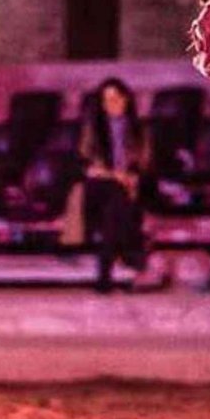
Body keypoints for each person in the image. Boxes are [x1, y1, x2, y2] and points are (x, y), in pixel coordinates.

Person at [79, 78, 150, 293]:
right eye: (107, 100)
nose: (112, 104)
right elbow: (87, 163)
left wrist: (131, 178)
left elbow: (144, 162)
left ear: (126, 100)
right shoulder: (94, 128)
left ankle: (105, 274)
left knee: (116, 209)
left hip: (129, 184)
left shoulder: (139, 129)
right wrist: (115, 176)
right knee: (116, 198)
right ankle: (131, 253)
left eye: (116, 98)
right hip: (100, 184)